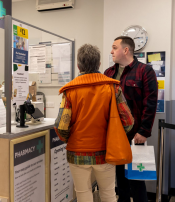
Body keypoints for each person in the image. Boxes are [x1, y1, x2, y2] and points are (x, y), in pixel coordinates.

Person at [54, 44, 134, 202]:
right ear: (99, 64)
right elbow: (128, 121)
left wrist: (71, 139)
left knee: (83, 193)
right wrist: (114, 134)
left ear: (78, 66)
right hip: (106, 151)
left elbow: (61, 126)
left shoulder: (69, 91)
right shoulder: (113, 87)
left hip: (76, 153)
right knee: (109, 193)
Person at [104, 36, 158, 202]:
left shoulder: (144, 71)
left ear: (125, 50)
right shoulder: (109, 73)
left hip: (135, 135)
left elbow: (150, 103)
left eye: (114, 47)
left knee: (135, 178)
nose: (111, 51)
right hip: (115, 135)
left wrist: (144, 131)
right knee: (120, 178)